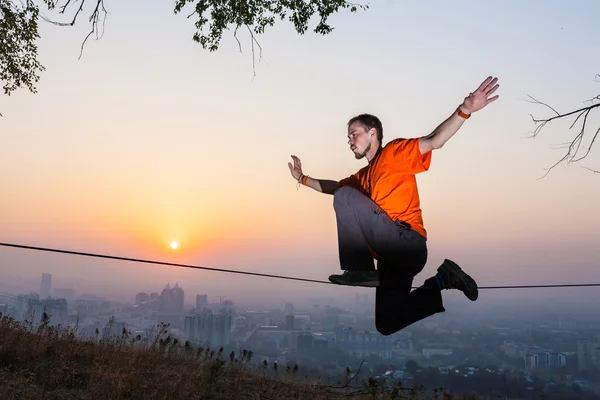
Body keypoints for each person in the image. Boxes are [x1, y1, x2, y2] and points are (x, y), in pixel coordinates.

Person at [287, 76, 500, 335]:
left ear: (372, 132)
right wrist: (302, 178)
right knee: (387, 323)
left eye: (354, 134)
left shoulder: (393, 153)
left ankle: (359, 270)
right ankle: (444, 278)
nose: (350, 141)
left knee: (344, 195)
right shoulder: (363, 177)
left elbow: (435, 140)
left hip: (407, 242)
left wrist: (465, 109)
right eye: (348, 137)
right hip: (391, 260)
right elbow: (334, 188)